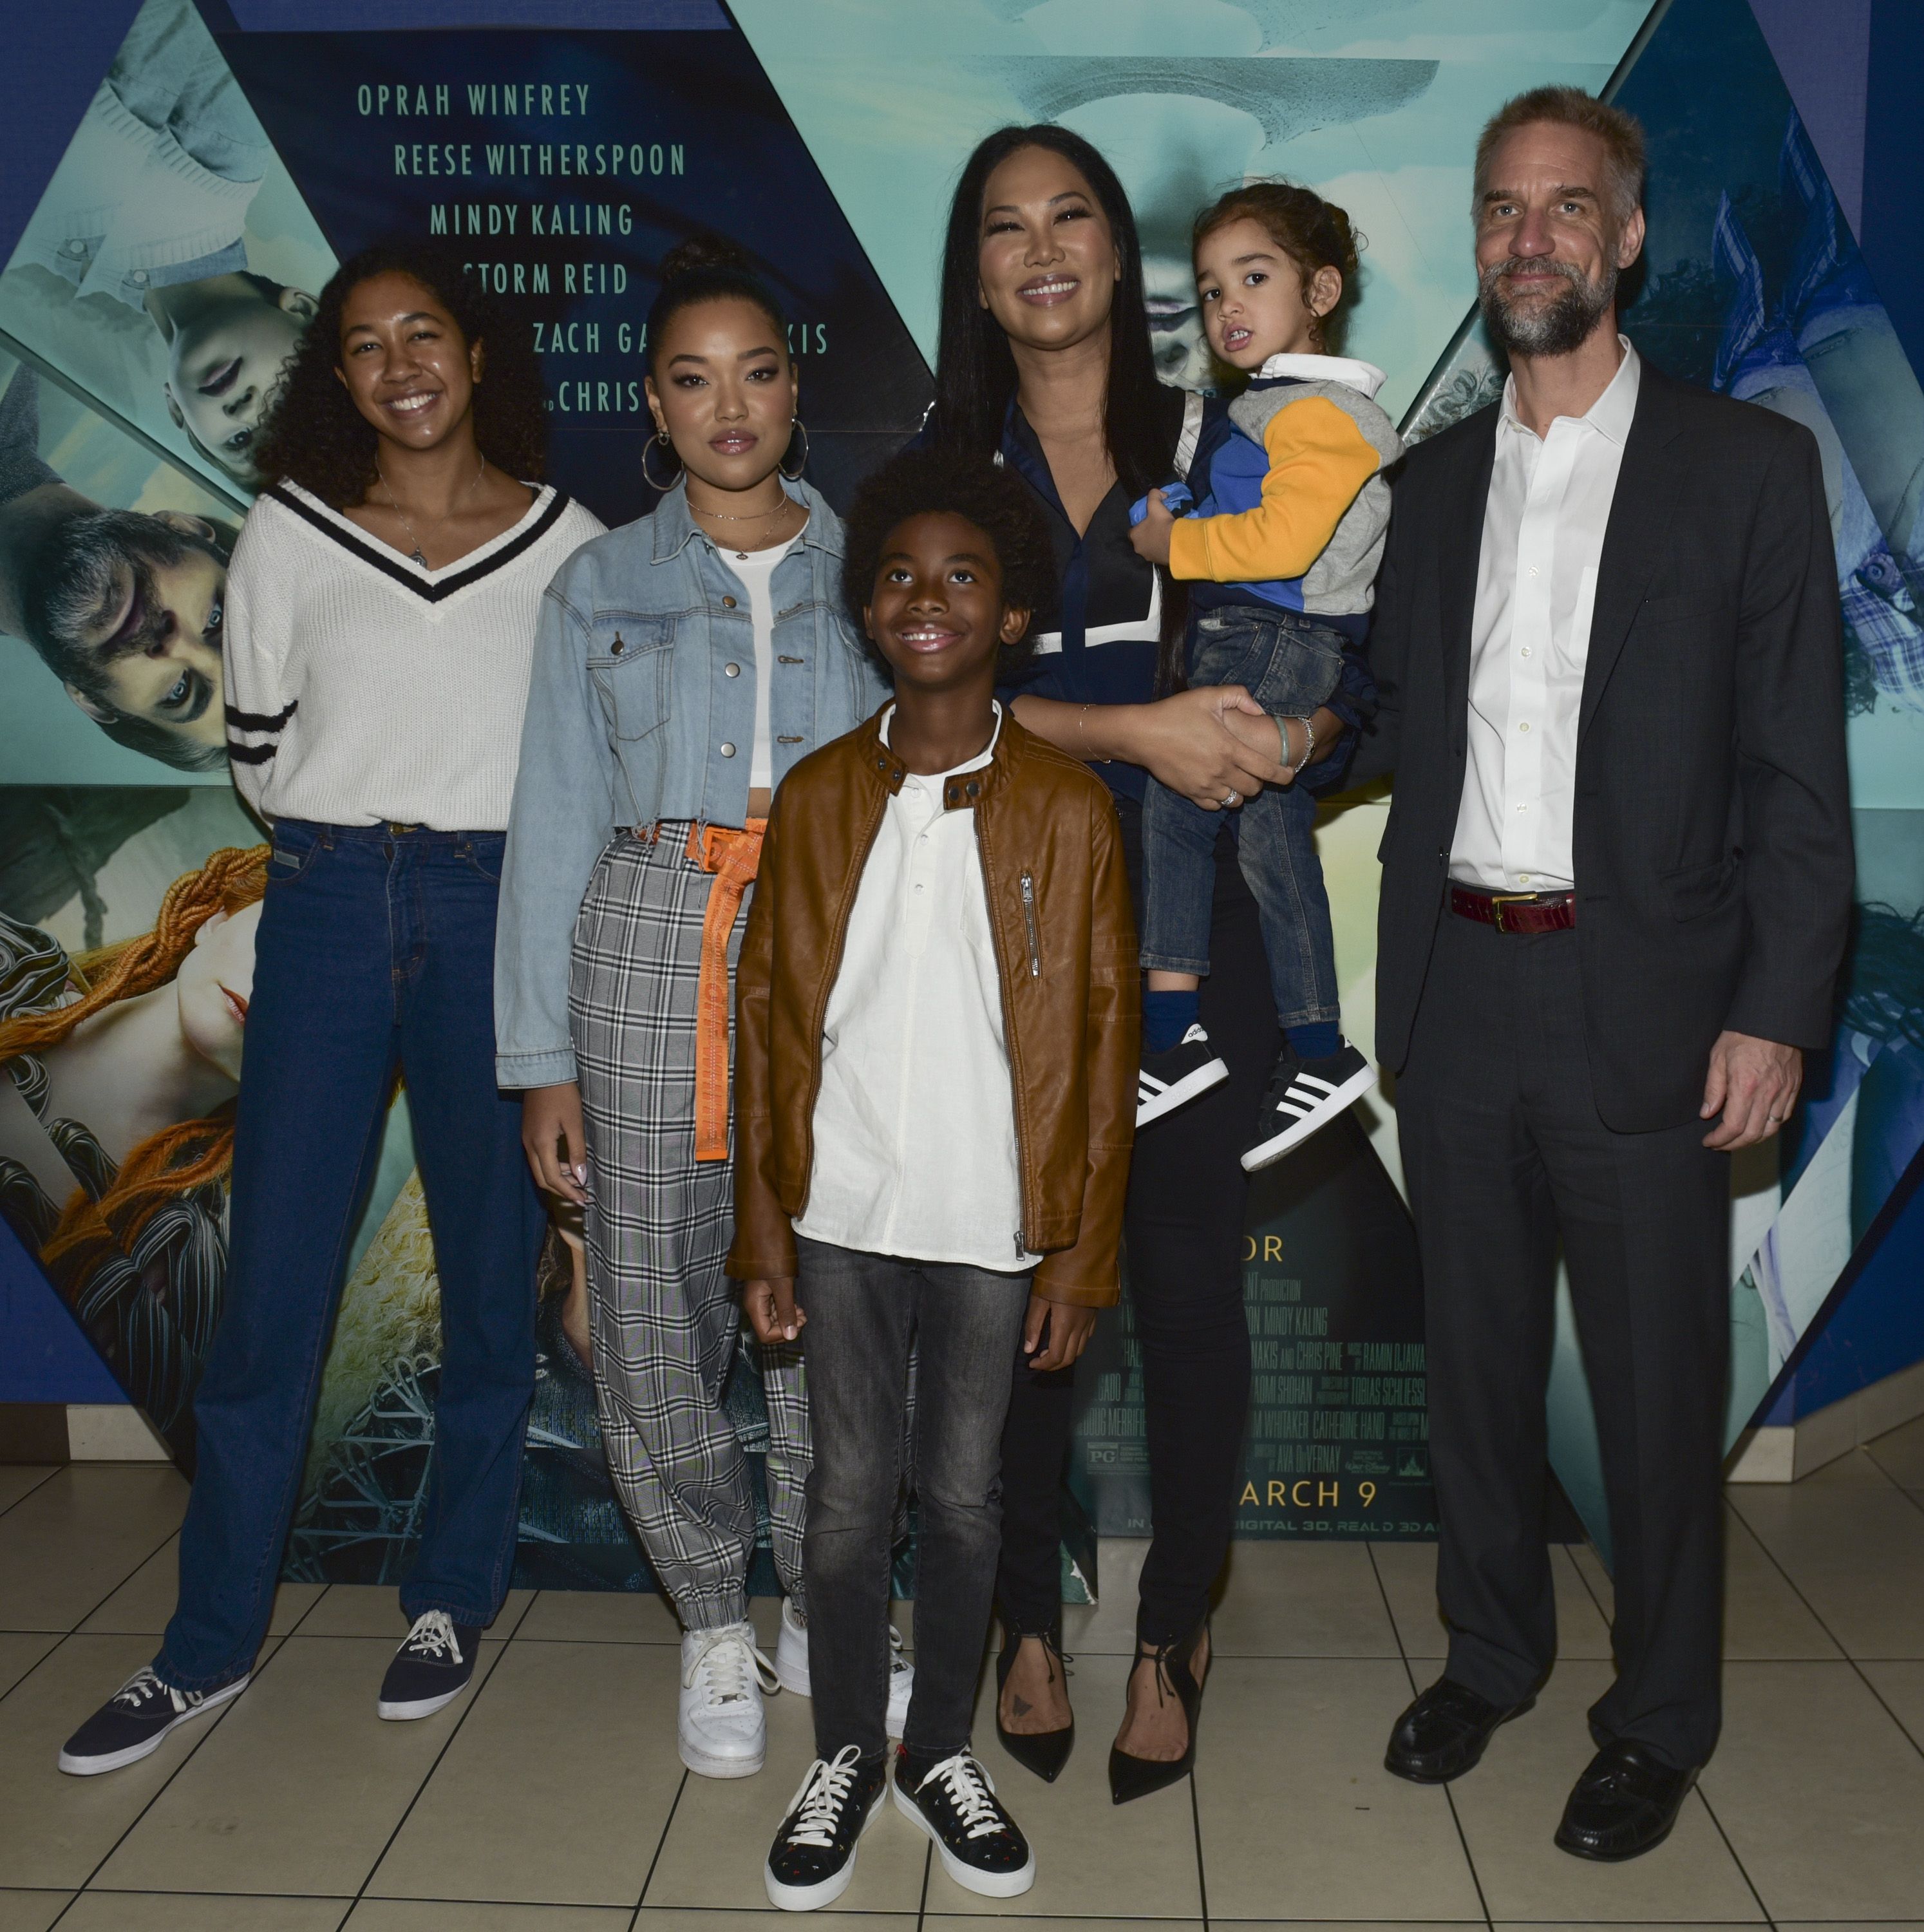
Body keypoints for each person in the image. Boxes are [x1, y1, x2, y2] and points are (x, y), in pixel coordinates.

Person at [1355, 88, 1852, 1861]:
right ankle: (1488, 1654)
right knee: (1473, 1376)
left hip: (1652, 1003)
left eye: (1567, 208)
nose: (1530, 239)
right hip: (1457, 993)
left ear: (1627, 236)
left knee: (1651, 1401)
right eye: (1500, 210)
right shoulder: (1427, 484)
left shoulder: (1746, 470)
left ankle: (1655, 1719)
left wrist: (1779, 1008)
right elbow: (1377, 725)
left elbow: (1800, 775)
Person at [55, 238, 604, 1776]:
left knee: (494, 1275)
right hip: (325, 905)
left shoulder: (571, 540)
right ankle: (207, 1641)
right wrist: (349, 834)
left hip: (493, 908)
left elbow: (587, 763)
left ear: (476, 351)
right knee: (276, 1281)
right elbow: (256, 747)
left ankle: (450, 1592)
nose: (398, 363)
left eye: (422, 332)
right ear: (337, 375)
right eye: (363, 345)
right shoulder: (291, 530)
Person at [925, 123, 1363, 1803]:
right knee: (1024, 1297)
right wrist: (1131, 728)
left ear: (1119, 253)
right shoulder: (942, 467)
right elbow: (918, 707)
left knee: (1182, 1290)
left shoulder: (1228, 439)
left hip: (1201, 952)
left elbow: (1351, 671)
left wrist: (1302, 723)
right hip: (1001, 938)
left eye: (1072, 218)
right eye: (1003, 228)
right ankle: (1026, 1618)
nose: (1041, 250)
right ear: (974, 273)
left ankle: (1176, 1627)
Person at [495, 236, 898, 1781]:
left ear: (794, 391)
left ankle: (822, 1587)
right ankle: (710, 1617)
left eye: (757, 370)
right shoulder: (596, 581)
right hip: (644, 930)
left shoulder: (872, 567)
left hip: (821, 933)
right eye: (690, 377)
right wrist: (542, 1061)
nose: (727, 404)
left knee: (822, 1283)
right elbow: (549, 819)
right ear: (652, 409)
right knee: (655, 1303)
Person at [735, 446, 1136, 1908]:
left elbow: (1097, 1046)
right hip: (838, 1207)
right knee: (844, 1502)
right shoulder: (821, 797)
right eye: (898, 573)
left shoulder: (1066, 809)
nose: (925, 597)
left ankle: (938, 1745)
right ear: (865, 608)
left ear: (1012, 614)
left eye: (962, 574)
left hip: (989, 1218)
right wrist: (762, 1229)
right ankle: (845, 1744)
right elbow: (768, 1018)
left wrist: (1081, 1254)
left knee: (964, 1499)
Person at [1127, 181, 1397, 1164]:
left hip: (1272, 637)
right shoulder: (1277, 408)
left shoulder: (1325, 412)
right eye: (1209, 290)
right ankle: (1318, 1047)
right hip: (1269, 639)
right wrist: (1182, 514)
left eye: (1254, 277)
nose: (1226, 307)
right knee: (1274, 846)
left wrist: (1172, 546)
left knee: (1175, 812)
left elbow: (1283, 543)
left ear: (1320, 289)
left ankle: (1171, 1035)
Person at [0, 846, 264, 1449]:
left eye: (339, 1007)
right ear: (218, 916)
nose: (283, 995)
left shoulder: (181, 1266)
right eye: (291, 943)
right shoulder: (11, 965)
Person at [0, 366, 236, 773]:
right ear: (185, 529)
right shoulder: (18, 339)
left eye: (179, 691)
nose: (175, 645)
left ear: (94, 702)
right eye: (217, 617)